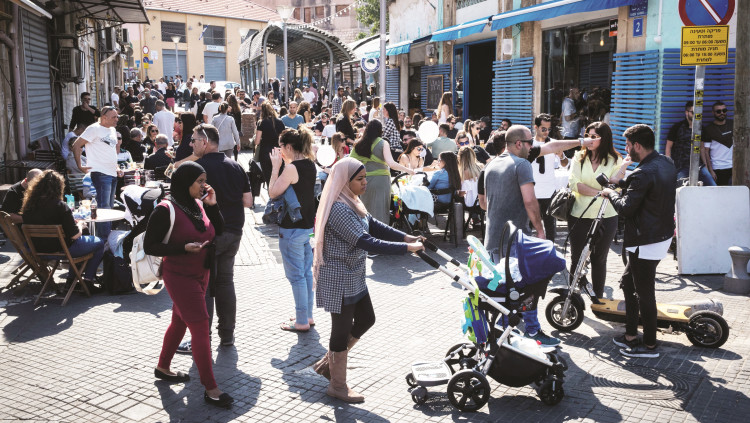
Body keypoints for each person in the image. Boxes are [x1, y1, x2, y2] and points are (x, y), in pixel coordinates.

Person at [311, 157, 424, 402]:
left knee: (366, 319)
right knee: (340, 330)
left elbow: (372, 224)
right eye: (360, 179)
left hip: (354, 274)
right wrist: (406, 249)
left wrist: (406, 237)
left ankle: (328, 364)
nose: (365, 183)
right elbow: (366, 241)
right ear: (345, 181)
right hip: (339, 277)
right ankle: (337, 385)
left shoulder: (351, 199)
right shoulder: (339, 208)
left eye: (365, 178)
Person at [483, 125, 596, 347]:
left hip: (493, 238)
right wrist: (541, 229)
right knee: (528, 285)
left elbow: (487, 202)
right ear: (519, 144)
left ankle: (503, 332)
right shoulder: (522, 164)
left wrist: (581, 142)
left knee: (503, 287)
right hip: (514, 238)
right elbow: (530, 200)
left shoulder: (492, 164)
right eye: (529, 143)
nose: (532, 147)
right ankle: (532, 331)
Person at [144, 162, 233, 408]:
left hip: (202, 273)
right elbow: (150, 246)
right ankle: (211, 389)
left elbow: (219, 230)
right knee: (201, 327)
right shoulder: (165, 209)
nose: (204, 185)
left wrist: (212, 205)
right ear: (185, 183)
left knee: (179, 321)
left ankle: (163, 368)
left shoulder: (197, 204)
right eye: (200, 181)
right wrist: (182, 248)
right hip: (179, 276)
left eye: (205, 180)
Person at [173, 124, 253, 353]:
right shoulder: (236, 165)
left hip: (208, 233)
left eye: (194, 140)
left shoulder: (197, 169)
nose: (191, 144)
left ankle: (202, 337)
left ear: (205, 142)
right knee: (226, 281)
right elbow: (248, 201)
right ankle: (227, 335)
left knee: (205, 286)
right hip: (233, 231)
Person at [602, 124, 677, 358]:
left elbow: (626, 209)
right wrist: (623, 184)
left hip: (645, 240)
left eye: (627, 145)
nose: (626, 150)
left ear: (637, 145)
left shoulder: (642, 172)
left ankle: (650, 345)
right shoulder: (666, 162)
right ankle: (630, 335)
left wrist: (610, 193)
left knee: (644, 293)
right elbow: (649, 189)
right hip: (660, 235)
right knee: (628, 283)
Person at [568, 122, 629, 299]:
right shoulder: (579, 156)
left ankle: (598, 299)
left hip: (606, 216)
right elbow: (574, 183)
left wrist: (607, 189)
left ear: (604, 139)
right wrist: (601, 192)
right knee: (577, 259)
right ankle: (572, 300)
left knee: (599, 260)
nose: (589, 140)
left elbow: (616, 187)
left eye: (594, 137)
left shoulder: (615, 160)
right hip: (579, 214)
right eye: (587, 135)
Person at [268, 128, 317, 332]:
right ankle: (307, 316)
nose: (279, 151)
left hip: (292, 230)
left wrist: (275, 167)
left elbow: (272, 192)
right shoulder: (310, 164)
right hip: (307, 228)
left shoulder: (291, 168)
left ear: (288, 147)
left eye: (280, 146)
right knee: (305, 273)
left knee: (297, 276)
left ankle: (301, 321)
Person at [22, 170, 105, 291]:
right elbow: (75, 235)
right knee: (99, 242)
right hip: (61, 250)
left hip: (37, 249)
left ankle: (71, 281)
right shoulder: (60, 206)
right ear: (58, 187)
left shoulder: (28, 205)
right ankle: (87, 281)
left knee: (82, 241)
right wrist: (80, 224)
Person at [349, 120, 414, 224]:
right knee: (381, 211)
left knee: (366, 210)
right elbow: (391, 164)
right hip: (381, 181)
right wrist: (408, 170)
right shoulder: (383, 143)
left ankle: (367, 231)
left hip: (364, 181)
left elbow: (350, 162)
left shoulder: (359, 144)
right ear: (380, 130)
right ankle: (381, 232)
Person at [72, 106, 119, 239]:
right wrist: (80, 165)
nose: (117, 119)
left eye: (117, 116)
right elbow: (76, 145)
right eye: (114, 117)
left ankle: (106, 239)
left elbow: (110, 150)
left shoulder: (112, 129)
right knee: (104, 208)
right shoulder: (93, 129)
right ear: (104, 118)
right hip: (100, 173)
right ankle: (104, 240)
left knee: (109, 207)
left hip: (112, 173)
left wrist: (117, 167)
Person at [531, 114, 569, 244]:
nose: (546, 132)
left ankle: (550, 250)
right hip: (532, 191)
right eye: (543, 129)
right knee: (529, 226)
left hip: (549, 190)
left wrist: (562, 155)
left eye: (549, 129)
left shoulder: (554, 143)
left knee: (550, 228)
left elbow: (565, 164)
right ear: (536, 127)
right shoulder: (529, 144)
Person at [665, 101, 715, 185]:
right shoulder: (677, 127)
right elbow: (668, 147)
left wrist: (706, 166)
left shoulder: (701, 128)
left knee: (713, 187)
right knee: (681, 189)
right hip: (681, 166)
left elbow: (702, 148)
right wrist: (669, 166)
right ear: (686, 112)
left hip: (698, 166)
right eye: (693, 112)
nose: (696, 115)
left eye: (698, 113)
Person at [702, 101, 734, 186]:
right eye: (718, 111)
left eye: (724, 110)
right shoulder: (708, 129)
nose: (722, 113)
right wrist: (710, 170)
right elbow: (706, 152)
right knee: (720, 192)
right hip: (718, 168)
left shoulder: (733, 124)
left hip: (734, 167)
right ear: (713, 112)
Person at [255, 102, 286, 185]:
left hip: (265, 153)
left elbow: (257, 141)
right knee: (279, 177)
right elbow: (283, 138)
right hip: (278, 152)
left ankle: (271, 192)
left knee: (269, 179)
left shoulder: (261, 122)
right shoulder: (280, 121)